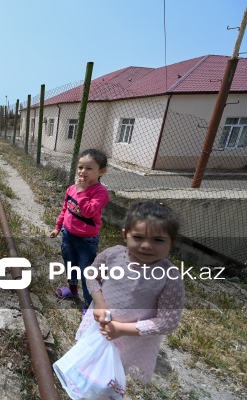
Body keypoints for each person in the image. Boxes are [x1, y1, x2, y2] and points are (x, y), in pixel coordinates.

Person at [76, 201, 184, 383]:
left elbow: (168, 322)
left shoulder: (169, 277)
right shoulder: (113, 256)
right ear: (125, 235)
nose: (147, 246)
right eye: (139, 237)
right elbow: (92, 275)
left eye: (158, 240)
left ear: (172, 242)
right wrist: (99, 303)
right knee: (85, 360)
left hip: (129, 338)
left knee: (110, 375)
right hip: (99, 323)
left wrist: (121, 329)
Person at [50, 148, 109, 312]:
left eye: (89, 168)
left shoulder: (100, 192)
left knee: (86, 271)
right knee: (70, 264)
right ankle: (73, 290)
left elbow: (89, 211)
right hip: (68, 234)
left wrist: (82, 192)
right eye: (81, 167)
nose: (83, 172)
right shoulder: (72, 189)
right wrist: (58, 227)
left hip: (86, 240)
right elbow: (65, 209)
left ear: (101, 171)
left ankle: (90, 303)